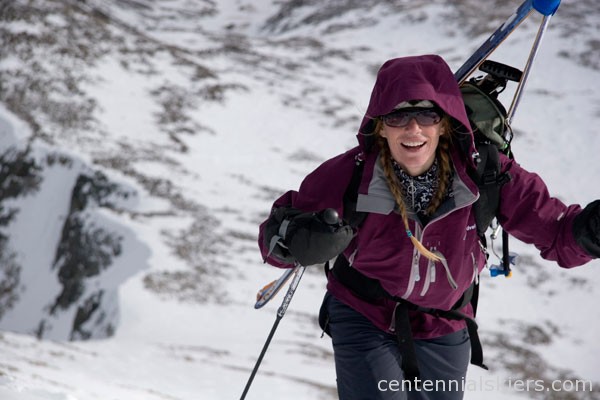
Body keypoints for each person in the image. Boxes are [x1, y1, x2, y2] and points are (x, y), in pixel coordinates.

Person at [257, 54, 600, 400]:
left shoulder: (485, 173)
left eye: (426, 114)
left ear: (444, 123)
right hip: (365, 315)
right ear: (380, 124)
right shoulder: (352, 173)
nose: (413, 128)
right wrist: (296, 241)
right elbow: (276, 236)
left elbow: (558, 233)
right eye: (398, 115)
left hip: (445, 324)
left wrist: (591, 231)